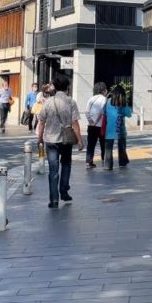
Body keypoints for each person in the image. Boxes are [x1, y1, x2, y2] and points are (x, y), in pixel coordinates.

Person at [36, 76, 84, 208]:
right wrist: (80, 140)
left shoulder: (48, 102)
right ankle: (64, 191)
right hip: (66, 139)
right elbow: (75, 123)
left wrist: (39, 138)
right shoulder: (71, 102)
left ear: (55, 87)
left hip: (50, 139)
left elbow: (41, 122)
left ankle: (54, 200)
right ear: (67, 87)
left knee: (53, 170)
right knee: (66, 164)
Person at [102, 85, 132, 170]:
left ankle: (108, 165)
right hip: (120, 130)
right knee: (122, 147)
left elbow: (103, 112)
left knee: (108, 149)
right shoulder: (123, 103)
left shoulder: (108, 102)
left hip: (109, 130)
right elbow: (129, 114)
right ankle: (122, 162)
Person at [84, 82, 108, 168]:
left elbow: (86, 112)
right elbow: (103, 112)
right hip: (101, 126)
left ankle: (89, 162)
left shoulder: (91, 99)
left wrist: (91, 122)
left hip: (91, 126)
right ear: (104, 90)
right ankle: (104, 161)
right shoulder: (104, 99)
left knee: (91, 144)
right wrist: (96, 121)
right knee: (103, 144)